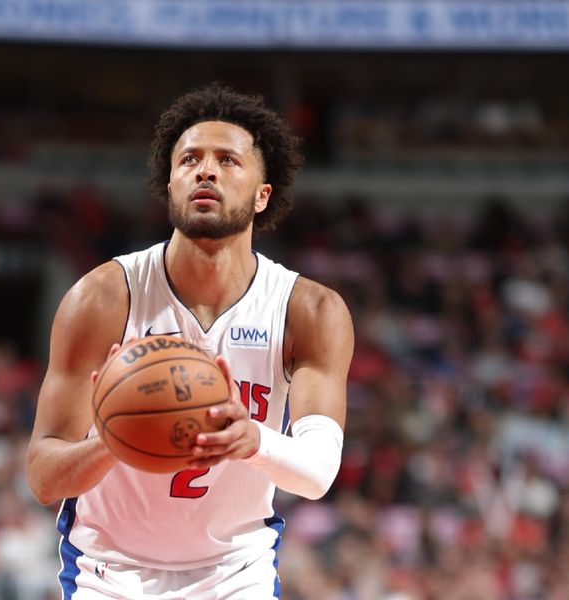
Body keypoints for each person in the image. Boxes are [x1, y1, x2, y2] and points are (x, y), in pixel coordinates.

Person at [26, 83, 354, 599]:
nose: (206, 170)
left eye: (228, 160)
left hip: (235, 571)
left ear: (262, 194)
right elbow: (44, 477)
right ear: (171, 183)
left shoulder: (309, 310)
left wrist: (256, 440)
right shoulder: (102, 298)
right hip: (108, 569)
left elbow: (317, 474)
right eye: (189, 160)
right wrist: (107, 442)